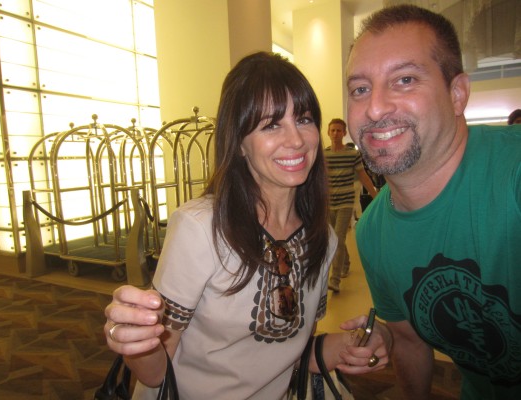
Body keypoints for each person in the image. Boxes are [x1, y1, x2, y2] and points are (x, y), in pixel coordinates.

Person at [104, 52, 391, 399]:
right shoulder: (200, 228)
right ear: (239, 143)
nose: (296, 140)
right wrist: (136, 340)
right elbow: (155, 375)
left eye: (303, 119)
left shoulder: (322, 239)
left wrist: (356, 343)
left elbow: (294, 354)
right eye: (271, 125)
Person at [346, 4, 521, 400]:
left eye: (405, 80)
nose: (375, 108)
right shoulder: (372, 232)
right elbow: (409, 343)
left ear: (457, 94)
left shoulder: (512, 176)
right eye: (360, 89)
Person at [324, 118, 377, 292]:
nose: (335, 133)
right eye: (333, 130)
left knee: (338, 238)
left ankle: (335, 280)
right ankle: (345, 263)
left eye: (339, 130)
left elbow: (363, 176)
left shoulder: (352, 154)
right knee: (335, 239)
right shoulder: (324, 155)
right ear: (328, 132)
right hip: (329, 204)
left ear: (344, 133)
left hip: (346, 203)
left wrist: (376, 196)